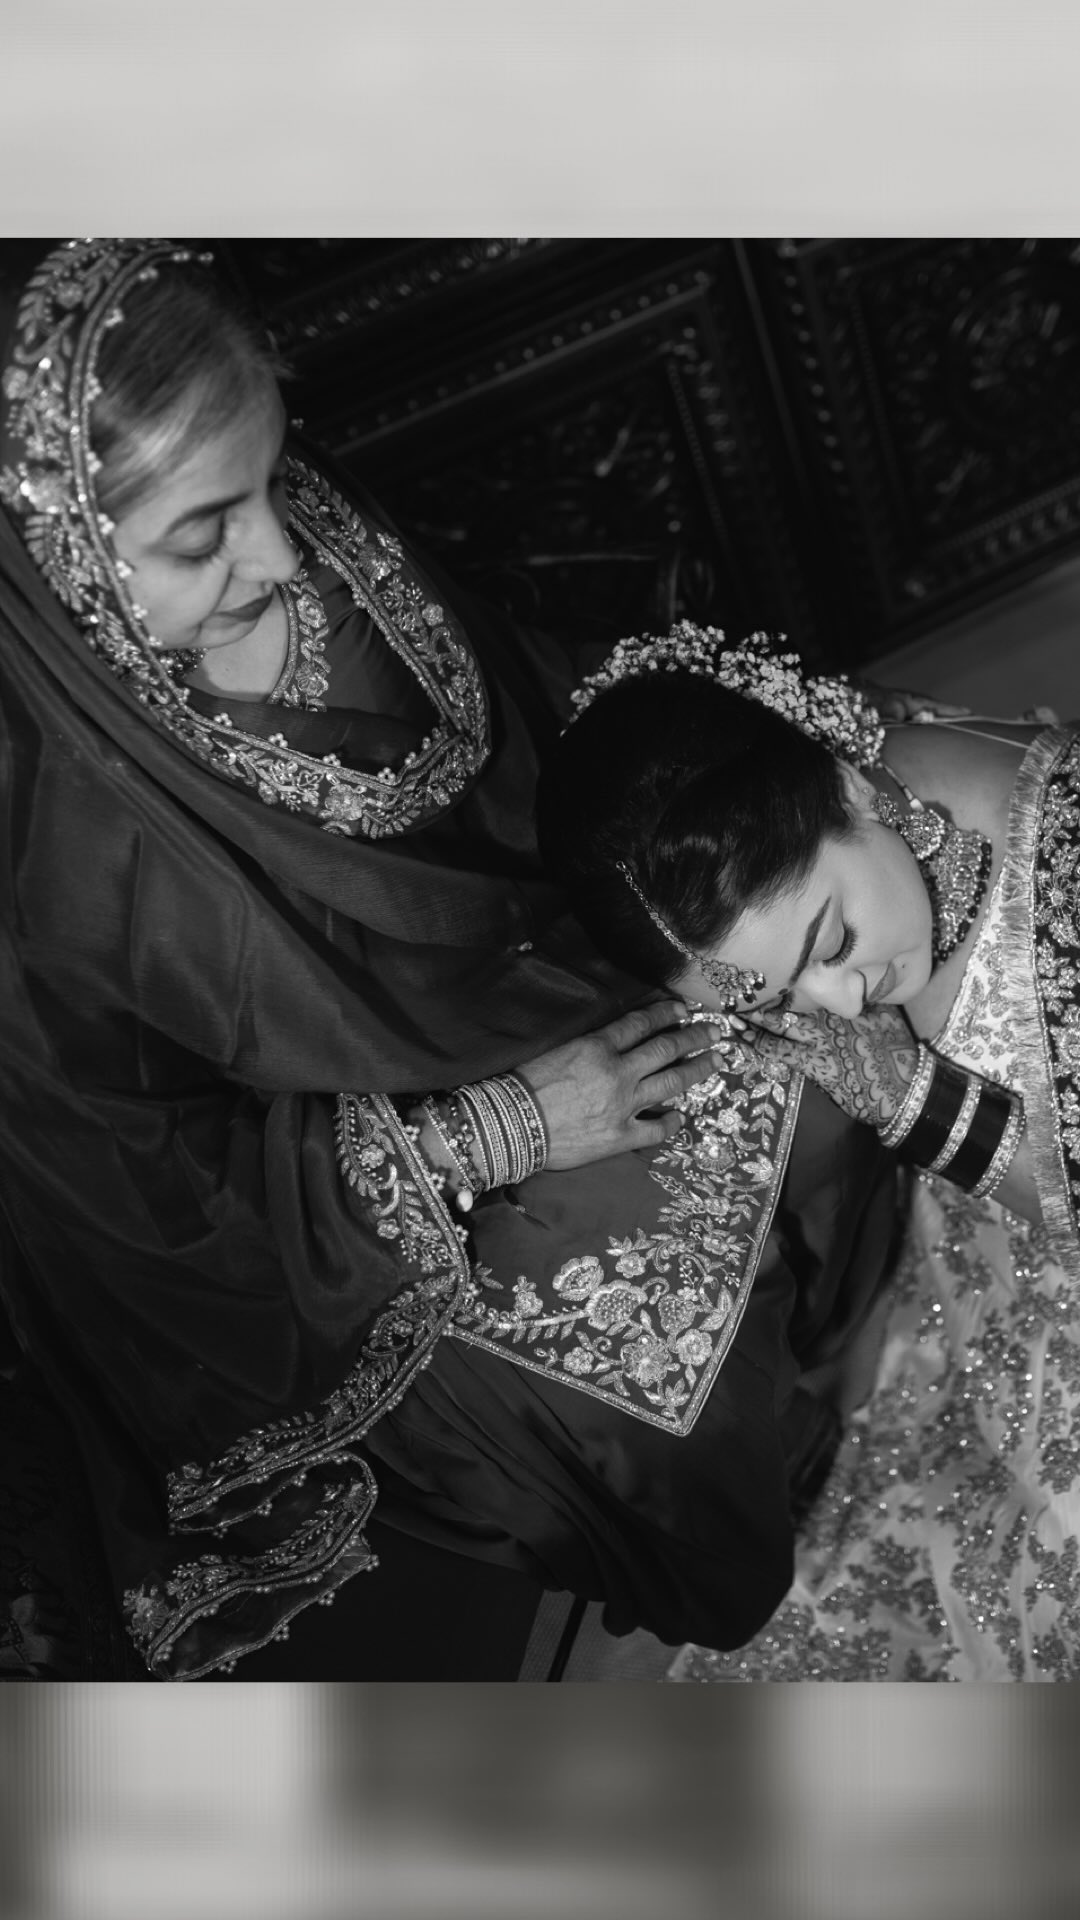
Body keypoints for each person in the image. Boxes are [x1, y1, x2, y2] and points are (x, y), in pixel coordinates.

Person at [0, 238, 904, 1681]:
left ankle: (860, 1383)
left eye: (273, 477)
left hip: (537, 955)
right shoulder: (41, 851)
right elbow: (159, 1223)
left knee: (835, 1053)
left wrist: (655, 891)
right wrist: (508, 1126)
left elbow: (521, 710)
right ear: (58, 558)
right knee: (656, 1403)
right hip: (362, 1194)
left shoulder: (298, 536)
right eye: (204, 531)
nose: (280, 554)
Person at [538, 623, 1080, 1679]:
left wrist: (918, 1100)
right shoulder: (852, 770)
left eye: (828, 944)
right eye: (771, 997)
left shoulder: (1060, 864)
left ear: (854, 786)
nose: (839, 1006)